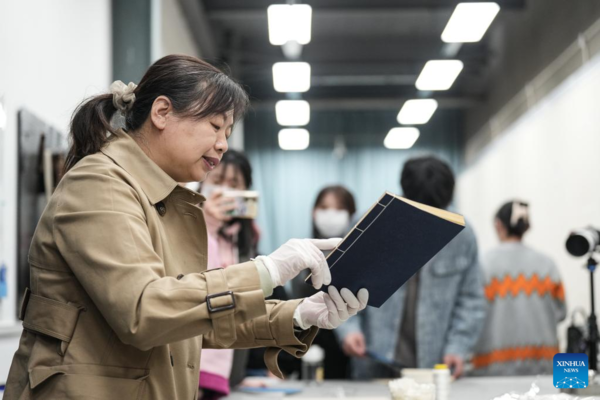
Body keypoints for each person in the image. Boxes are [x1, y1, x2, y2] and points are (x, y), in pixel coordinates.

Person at [4, 54, 369, 400]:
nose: (223, 144)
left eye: (227, 131)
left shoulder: (159, 198)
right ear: (162, 112)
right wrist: (266, 271)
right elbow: (145, 311)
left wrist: (300, 313)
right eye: (214, 126)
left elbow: (194, 317)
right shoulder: (101, 184)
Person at [336, 156, 486, 379]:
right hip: (373, 360)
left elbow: (471, 299)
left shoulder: (462, 236)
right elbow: (341, 284)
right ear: (405, 195)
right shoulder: (371, 224)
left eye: (437, 213)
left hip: (434, 366)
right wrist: (348, 330)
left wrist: (458, 347)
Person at [471, 201, 566, 376]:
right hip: (545, 367)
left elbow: (470, 315)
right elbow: (561, 313)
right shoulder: (547, 264)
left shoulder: (482, 265)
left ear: (498, 225)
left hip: (492, 369)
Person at [197, 149, 259, 399]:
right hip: (193, 362)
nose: (224, 190)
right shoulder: (187, 224)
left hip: (229, 369)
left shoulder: (247, 240)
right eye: (217, 180)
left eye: (234, 184)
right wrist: (207, 224)